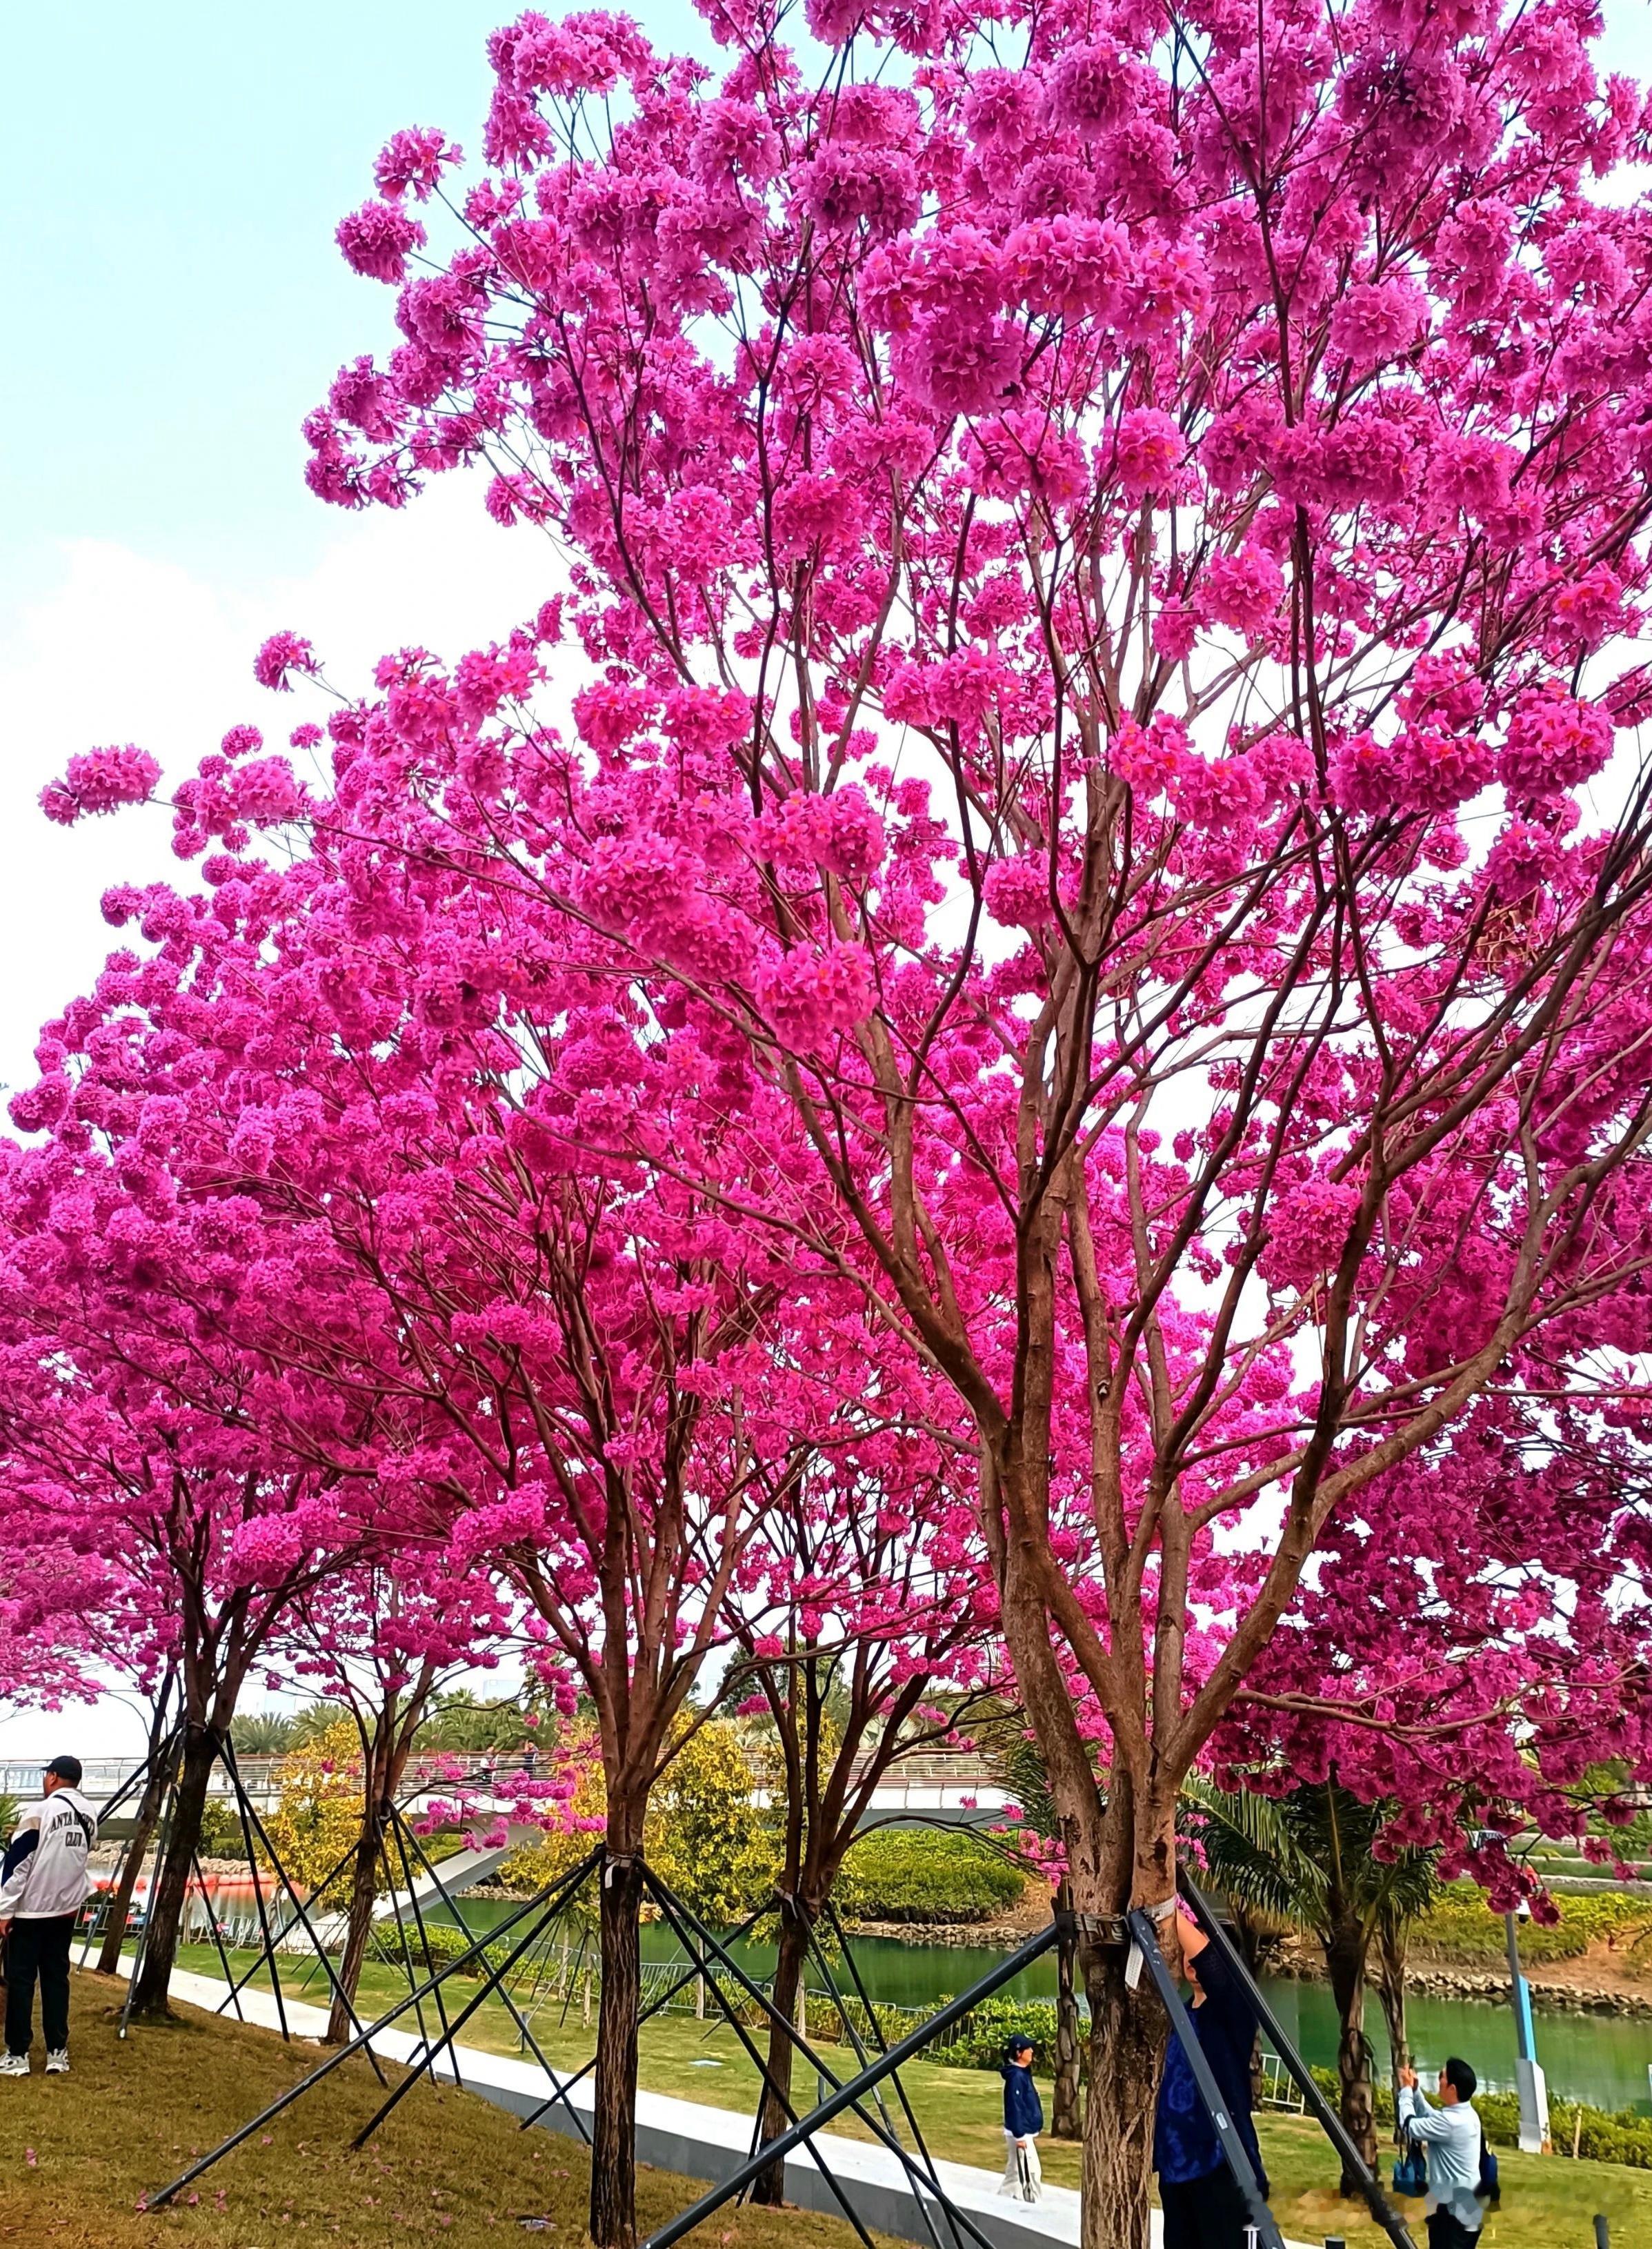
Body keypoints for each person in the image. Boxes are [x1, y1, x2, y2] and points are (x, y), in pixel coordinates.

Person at [1154, 1910, 1268, 2248]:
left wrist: (1166, 1908)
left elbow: (1214, 1968)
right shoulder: (1179, 2014)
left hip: (1222, 2165)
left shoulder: (1235, 2009)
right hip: (1175, 2170)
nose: (1193, 1958)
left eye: (1201, 1949)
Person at [0, 1755, 98, 2077]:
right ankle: (58, 2052)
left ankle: (18, 2054)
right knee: (57, 1980)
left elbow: (18, 1865)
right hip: (65, 1911)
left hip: (30, 1912)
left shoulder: (40, 1811)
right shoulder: (89, 1814)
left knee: (21, 1983)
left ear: (53, 1778)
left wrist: (4, 1910)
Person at [1398, 2058, 1485, 2248]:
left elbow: (1409, 2125)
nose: (1439, 2080)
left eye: (1442, 2077)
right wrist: (1415, 2091)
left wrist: (1405, 2090)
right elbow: (1432, 2117)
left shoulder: (1451, 2123)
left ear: (1452, 2089)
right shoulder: (1467, 2115)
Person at [998, 2032, 1044, 2201]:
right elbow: (1015, 2107)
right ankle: (1034, 2203)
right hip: (1021, 2134)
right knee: (1031, 2171)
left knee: (1014, 2172)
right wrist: (1020, 2136)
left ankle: (1003, 2200)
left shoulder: (1022, 2074)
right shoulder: (1016, 2077)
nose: (1031, 2051)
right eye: (1028, 2049)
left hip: (1023, 2132)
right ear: (1019, 2053)